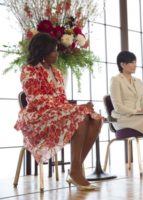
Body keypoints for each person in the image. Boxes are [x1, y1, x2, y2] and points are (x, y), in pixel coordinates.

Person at [14, 32, 102, 190]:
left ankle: (75, 170)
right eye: (53, 51)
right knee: (80, 116)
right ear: (42, 52)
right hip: (38, 118)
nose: (57, 54)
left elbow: (62, 100)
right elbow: (36, 100)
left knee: (95, 119)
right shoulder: (29, 70)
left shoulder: (58, 73)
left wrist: (77, 107)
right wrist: (75, 108)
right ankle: (76, 173)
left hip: (57, 114)